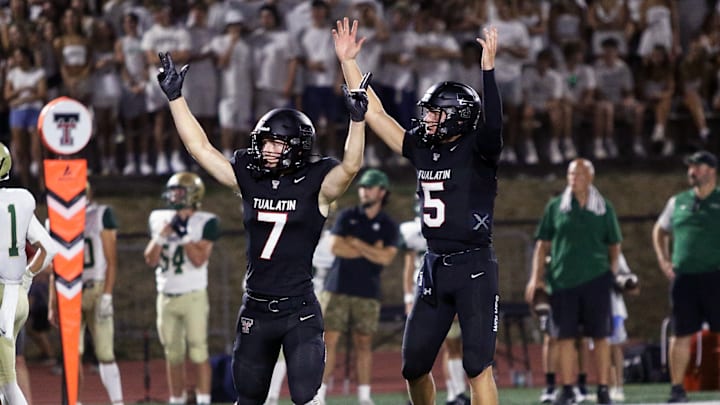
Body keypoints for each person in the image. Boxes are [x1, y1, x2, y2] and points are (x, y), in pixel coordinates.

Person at [155, 51, 368, 404]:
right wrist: (176, 99)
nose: (267, 149)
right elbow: (201, 149)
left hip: (298, 309)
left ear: (297, 147)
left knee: (306, 397)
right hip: (255, 307)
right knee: (248, 398)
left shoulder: (317, 183)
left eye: (276, 142)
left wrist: (357, 121)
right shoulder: (249, 178)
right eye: (265, 141)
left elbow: (350, 167)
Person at [334, 18, 502, 405]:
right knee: (413, 367)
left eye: (435, 113)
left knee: (477, 367)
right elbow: (374, 114)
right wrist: (348, 64)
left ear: (458, 116)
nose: (426, 120)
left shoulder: (480, 150)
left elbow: (493, 121)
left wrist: (487, 71)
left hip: (473, 266)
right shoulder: (424, 148)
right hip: (434, 266)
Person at [525, 158, 621, 405]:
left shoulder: (604, 208)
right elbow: (542, 245)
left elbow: (614, 245)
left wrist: (610, 273)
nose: (573, 178)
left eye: (578, 174)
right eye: (570, 174)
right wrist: (535, 279)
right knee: (564, 337)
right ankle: (566, 388)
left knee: (600, 337)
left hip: (596, 281)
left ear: (590, 177)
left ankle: (602, 388)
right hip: (562, 282)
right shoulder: (556, 207)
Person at [318, 168, 399, 405]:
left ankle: (364, 396)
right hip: (337, 287)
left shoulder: (388, 225)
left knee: (364, 343)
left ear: (382, 192)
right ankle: (319, 394)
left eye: (370, 187)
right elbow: (336, 248)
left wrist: (356, 244)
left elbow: (386, 258)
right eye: (362, 187)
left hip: (368, 291)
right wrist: (372, 248)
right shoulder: (347, 216)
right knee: (329, 340)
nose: (364, 192)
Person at [144, 172, 219, 405]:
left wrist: (183, 235)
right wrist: (161, 236)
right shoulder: (159, 218)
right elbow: (150, 259)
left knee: (198, 350)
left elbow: (199, 260)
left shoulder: (206, 221)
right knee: (172, 354)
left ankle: (204, 401)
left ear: (193, 195)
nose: (174, 195)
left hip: (193, 295)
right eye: (173, 190)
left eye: (179, 191)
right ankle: (177, 400)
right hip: (165, 295)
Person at [652, 150, 720, 403]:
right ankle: (677, 389)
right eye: (690, 167)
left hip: (715, 275)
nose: (692, 171)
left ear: (711, 171)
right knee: (680, 334)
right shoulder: (677, 202)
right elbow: (659, 230)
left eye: (698, 167)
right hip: (685, 279)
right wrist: (663, 259)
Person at [48, 181, 125, 405]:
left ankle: (118, 402)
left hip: (96, 287)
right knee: (72, 356)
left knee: (105, 353)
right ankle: (74, 402)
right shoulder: (56, 219)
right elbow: (57, 267)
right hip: (69, 290)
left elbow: (112, 261)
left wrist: (108, 294)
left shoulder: (100, 214)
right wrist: (53, 301)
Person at [0, 141, 58, 405]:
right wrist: (26, 277)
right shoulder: (21, 199)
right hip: (16, 296)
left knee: (8, 382)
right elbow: (48, 249)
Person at [399, 208, 468, 405]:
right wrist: (407, 298)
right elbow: (409, 266)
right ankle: (453, 393)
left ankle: (456, 393)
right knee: (421, 352)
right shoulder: (413, 230)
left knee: (454, 345)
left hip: (446, 289)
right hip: (425, 293)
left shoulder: (450, 227)